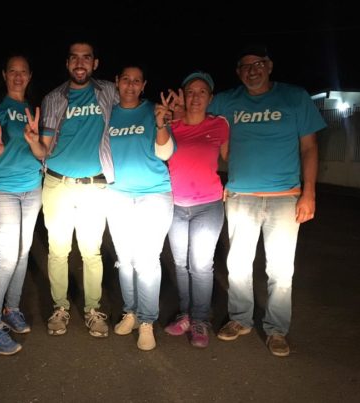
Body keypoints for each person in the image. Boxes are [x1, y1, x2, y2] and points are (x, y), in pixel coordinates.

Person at [208, 44, 325, 357]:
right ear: (238, 72)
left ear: (269, 66)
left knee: (281, 270)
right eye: (245, 66)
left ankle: (276, 329)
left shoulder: (294, 97)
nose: (252, 70)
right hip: (240, 197)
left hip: (284, 198)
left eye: (258, 63)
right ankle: (240, 318)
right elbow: (198, 114)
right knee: (238, 265)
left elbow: (310, 147)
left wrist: (309, 192)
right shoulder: (226, 101)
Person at [40, 40, 118, 338]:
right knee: (58, 250)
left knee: (91, 251)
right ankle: (60, 307)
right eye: (74, 58)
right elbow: (45, 144)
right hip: (57, 183)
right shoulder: (52, 98)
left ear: (95, 63)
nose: (80, 63)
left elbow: (134, 111)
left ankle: (92, 310)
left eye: (86, 57)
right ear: (67, 63)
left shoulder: (109, 92)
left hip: (94, 186)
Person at [0, 55, 46, 355]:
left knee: (22, 251)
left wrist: (33, 140)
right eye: (12, 72)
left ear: (30, 76)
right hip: (0, 189)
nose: (18, 77)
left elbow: (42, 153)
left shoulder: (34, 109)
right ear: (4, 75)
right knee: (6, 256)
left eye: (23, 72)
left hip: (31, 188)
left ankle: (11, 309)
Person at [106, 64, 175, 350]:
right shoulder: (108, 113)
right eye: (126, 80)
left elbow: (165, 152)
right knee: (125, 259)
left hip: (154, 194)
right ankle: (131, 312)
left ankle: (147, 321)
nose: (131, 85)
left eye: (137, 81)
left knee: (146, 260)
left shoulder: (153, 111)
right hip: (117, 194)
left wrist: (160, 124)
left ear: (143, 85)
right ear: (117, 82)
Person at [163, 72, 229, 349]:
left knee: (200, 265)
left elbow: (232, 157)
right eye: (191, 91)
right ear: (184, 95)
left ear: (210, 98)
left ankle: (200, 319)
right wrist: (166, 118)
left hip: (208, 205)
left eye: (202, 92)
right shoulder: (172, 126)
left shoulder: (219, 124)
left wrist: (235, 186)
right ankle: (186, 314)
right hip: (175, 205)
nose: (196, 96)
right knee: (180, 264)